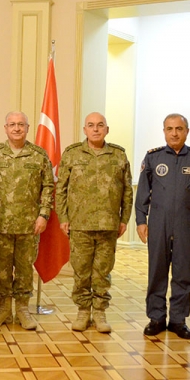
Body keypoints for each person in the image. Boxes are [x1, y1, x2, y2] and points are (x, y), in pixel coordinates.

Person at [135, 114, 190, 340]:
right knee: (157, 270)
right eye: (169, 128)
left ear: (187, 131)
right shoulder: (153, 157)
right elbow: (142, 193)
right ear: (164, 131)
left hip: (187, 223)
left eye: (179, 128)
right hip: (158, 223)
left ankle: (178, 319)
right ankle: (156, 317)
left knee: (183, 272)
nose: (174, 133)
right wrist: (142, 220)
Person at [56, 112, 132, 333]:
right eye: (91, 125)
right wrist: (63, 218)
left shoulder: (118, 155)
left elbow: (127, 190)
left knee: (102, 271)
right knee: (81, 271)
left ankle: (99, 312)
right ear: (85, 130)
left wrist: (124, 218)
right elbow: (61, 189)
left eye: (100, 125)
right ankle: (82, 311)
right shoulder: (72, 154)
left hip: (108, 224)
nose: (96, 129)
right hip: (79, 224)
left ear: (107, 129)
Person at [0, 111, 54, 330]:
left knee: (24, 269)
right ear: (5, 128)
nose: (16, 128)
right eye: (12, 124)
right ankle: (3, 308)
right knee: (2, 269)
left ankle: (22, 309)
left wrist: (43, 215)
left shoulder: (38, 155)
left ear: (27, 128)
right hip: (0, 224)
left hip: (29, 225)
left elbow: (48, 187)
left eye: (20, 125)